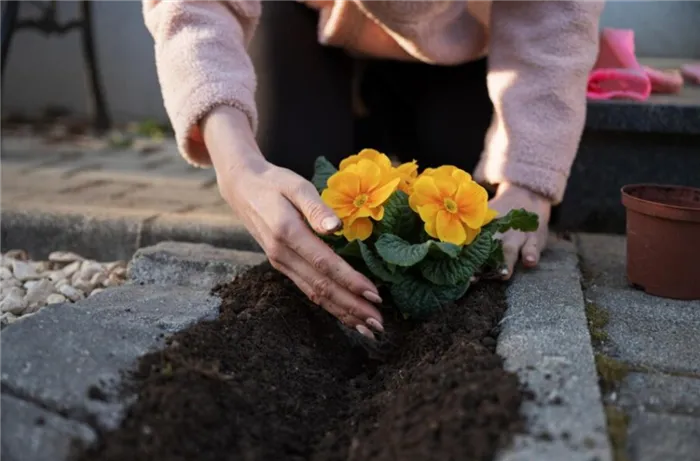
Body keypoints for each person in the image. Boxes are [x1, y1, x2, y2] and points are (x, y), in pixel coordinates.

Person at [142, 0, 605, 338]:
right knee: (303, 191)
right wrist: (237, 164)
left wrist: (528, 179)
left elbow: (557, 13)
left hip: (460, 34)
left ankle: (376, 122)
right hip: (309, 19)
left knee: (471, 211)